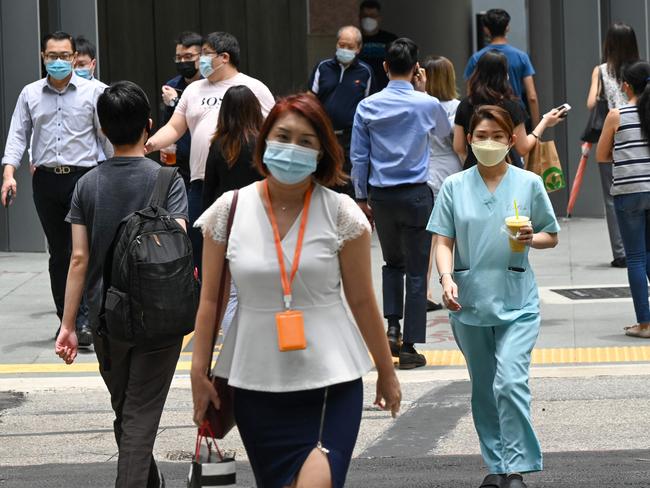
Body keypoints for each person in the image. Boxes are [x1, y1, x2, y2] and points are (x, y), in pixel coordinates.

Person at [191, 93, 401, 488]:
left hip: (331, 384)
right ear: (265, 139)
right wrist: (197, 372)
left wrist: (386, 372)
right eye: (283, 136)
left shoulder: (342, 213)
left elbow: (362, 300)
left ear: (322, 152)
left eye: (306, 141)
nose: (292, 148)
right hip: (255, 384)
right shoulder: (228, 209)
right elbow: (208, 302)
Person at [54, 80, 189, 487]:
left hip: (107, 318)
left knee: (129, 412)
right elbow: (179, 246)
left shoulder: (87, 185)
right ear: (149, 125)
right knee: (137, 416)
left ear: (102, 129)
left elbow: (78, 259)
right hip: (159, 316)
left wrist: (68, 323)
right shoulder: (168, 182)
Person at [429, 105, 560, 488]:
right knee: (484, 387)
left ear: (512, 141)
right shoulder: (454, 186)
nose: (489, 143)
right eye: (482, 136)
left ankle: (517, 467)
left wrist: (530, 238)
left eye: (498, 137)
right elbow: (442, 239)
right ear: (469, 140)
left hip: (517, 300)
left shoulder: (528, 184)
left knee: (510, 382)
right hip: (468, 301)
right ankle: (497, 465)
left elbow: (551, 235)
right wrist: (446, 277)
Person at [1, 31, 113, 347]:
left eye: (65, 56)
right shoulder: (30, 94)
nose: (59, 61)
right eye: (52, 56)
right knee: (59, 253)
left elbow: (106, 138)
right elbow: (18, 136)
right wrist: (9, 173)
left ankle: (87, 320)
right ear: (43, 57)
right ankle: (68, 320)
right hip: (47, 181)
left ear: (74, 57)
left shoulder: (95, 92)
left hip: (86, 178)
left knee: (86, 251)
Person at [350, 38, 450, 369]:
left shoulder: (368, 106)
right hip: (416, 194)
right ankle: (409, 347)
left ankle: (391, 327)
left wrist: (361, 196)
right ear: (416, 68)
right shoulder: (427, 103)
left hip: (381, 195)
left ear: (385, 66)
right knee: (418, 272)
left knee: (392, 263)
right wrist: (422, 90)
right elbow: (443, 131)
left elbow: (359, 156)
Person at [145, 31, 274, 276]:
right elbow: (175, 126)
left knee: (245, 247)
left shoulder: (253, 87)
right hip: (200, 183)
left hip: (246, 183)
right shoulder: (194, 91)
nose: (200, 60)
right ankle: (207, 298)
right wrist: (150, 144)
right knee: (201, 245)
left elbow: (273, 129)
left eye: (205, 54)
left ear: (224, 57)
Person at [596, 61, 650, 339]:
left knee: (637, 258)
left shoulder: (617, 115)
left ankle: (645, 323)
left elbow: (601, 155)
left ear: (626, 86)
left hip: (629, 192)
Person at [454, 50, 566, 169]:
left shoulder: (465, 104)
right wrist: (545, 122)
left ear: (477, 73)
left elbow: (459, 147)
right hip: (507, 169)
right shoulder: (512, 106)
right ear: (505, 75)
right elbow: (523, 148)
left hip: (474, 169)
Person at [587, 22, 639, 269]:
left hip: (612, 133)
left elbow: (590, 104)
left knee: (611, 195)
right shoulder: (640, 70)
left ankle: (621, 252)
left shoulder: (601, 70)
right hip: (639, 133)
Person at [309, 25, 375, 196]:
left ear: (359, 48)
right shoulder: (322, 67)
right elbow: (310, 99)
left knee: (347, 183)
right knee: (322, 178)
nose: (344, 49)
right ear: (337, 44)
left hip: (351, 137)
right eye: (342, 45)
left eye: (350, 47)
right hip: (324, 134)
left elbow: (369, 106)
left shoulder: (365, 72)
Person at [422, 56, 463, 312]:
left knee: (429, 234)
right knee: (450, 233)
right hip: (451, 168)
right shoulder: (458, 107)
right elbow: (459, 146)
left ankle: (424, 289)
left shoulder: (421, 104)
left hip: (425, 168)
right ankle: (452, 284)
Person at [464, 8, 540, 129]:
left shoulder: (476, 58)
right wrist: (537, 128)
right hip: (516, 116)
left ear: (486, 30)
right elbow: (532, 97)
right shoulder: (521, 57)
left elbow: (470, 94)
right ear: (507, 28)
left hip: (486, 116)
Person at [160, 31, 204, 189]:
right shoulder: (172, 85)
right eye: (179, 57)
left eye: (188, 57)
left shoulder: (209, 84)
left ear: (201, 57)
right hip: (180, 161)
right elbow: (168, 122)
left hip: (204, 159)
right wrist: (164, 144)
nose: (183, 61)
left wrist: (175, 101)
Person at [358, 0, 397, 91]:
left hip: (385, 88)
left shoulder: (390, 39)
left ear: (379, 18)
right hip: (360, 88)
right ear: (359, 17)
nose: (368, 19)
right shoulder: (355, 39)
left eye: (372, 16)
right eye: (365, 16)